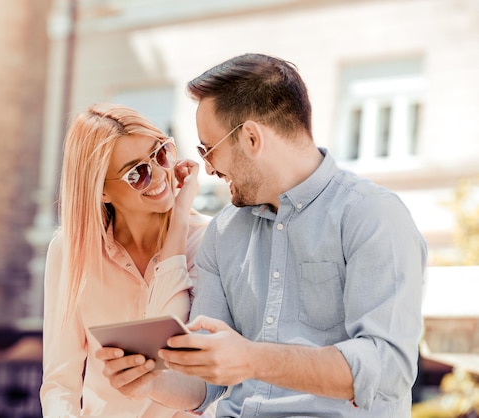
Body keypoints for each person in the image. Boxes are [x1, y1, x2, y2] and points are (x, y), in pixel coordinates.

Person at [96, 53, 428, 417]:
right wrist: (149, 382)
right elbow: (206, 383)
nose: (207, 167)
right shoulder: (223, 233)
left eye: (209, 150)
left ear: (252, 138)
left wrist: (254, 360)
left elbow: (387, 371)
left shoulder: (372, 216)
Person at [39, 103, 211, 417]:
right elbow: (60, 382)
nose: (159, 174)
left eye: (160, 153)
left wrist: (180, 221)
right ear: (102, 191)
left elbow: (165, 352)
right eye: (137, 173)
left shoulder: (209, 242)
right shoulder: (69, 251)